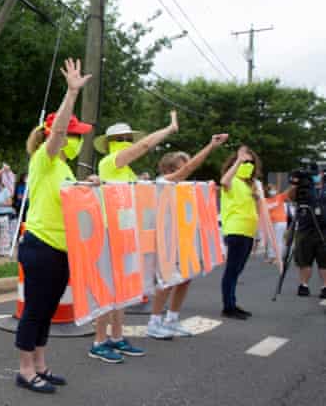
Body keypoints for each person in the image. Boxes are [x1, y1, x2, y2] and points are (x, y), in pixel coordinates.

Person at [15, 58, 94, 394]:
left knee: (47, 310)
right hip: (40, 246)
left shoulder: (63, 169)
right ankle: (24, 370)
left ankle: (41, 365)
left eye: (77, 135)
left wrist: (88, 186)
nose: (75, 139)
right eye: (72, 135)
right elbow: (58, 129)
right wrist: (71, 94)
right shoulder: (44, 160)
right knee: (34, 310)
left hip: (62, 249)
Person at [89, 113, 178, 363]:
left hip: (126, 232)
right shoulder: (110, 161)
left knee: (121, 291)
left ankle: (116, 337)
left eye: (128, 137)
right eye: (121, 138)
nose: (127, 141)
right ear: (110, 142)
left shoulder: (126, 170)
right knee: (108, 290)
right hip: (108, 233)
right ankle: (98, 341)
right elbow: (145, 145)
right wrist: (169, 129)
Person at [146, 134, 229, 340]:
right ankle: (154, 322)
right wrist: (211, 145)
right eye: (181, 168)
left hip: (184, 240)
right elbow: (190, 168)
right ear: (168, 170)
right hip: (166, 242)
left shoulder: (184, 189)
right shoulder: (161, 182)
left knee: (185, 280)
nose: (186, 171)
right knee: (167, 281)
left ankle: (172, 320)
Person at [219, 145, 263, 319]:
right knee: (232, 270)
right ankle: (228, 307)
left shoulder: (249, 186)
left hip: (248, 231)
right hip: (236, 230)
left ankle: (231, 302)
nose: (248, 165)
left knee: (237, 270)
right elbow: (224, 181)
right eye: (246, 162)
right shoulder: (232, 181)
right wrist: (238, 160)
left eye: (250, 162)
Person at [292, 169, 326, 298]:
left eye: (317, 173)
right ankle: (303, 285)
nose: (315, 176)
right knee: (304, 260)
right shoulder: (304, 188)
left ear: (322, 174)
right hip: (305, 229)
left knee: (324, 260)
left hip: (324, 229)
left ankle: (325, 287)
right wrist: (296, 183)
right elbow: (291, 197)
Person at [264, 184, 290, 265]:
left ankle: (278, 258)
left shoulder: (280, 197)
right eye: (270, 189)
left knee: (278, 240)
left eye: (273, 189)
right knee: (271, 240)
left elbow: (288, 191)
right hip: (271, 223)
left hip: (281, 222)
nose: (272, 191)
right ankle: (272, 256)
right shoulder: (265, 200)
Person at [0, 175, 16, 257]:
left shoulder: (6, 191)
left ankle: (5, 251)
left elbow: (9, 203)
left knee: (5, 234)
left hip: (5, 214)